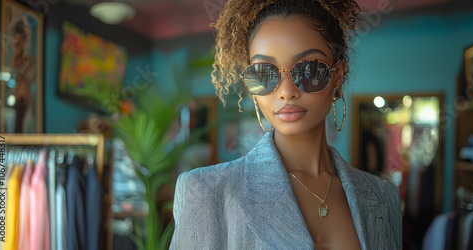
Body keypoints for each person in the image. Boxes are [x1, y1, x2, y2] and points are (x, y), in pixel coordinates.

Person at [169, 0, 402, 249]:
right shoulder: (206, 192)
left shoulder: (383, 197)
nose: (286, 91)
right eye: (264, 73)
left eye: (309, 70)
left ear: (337, 75)